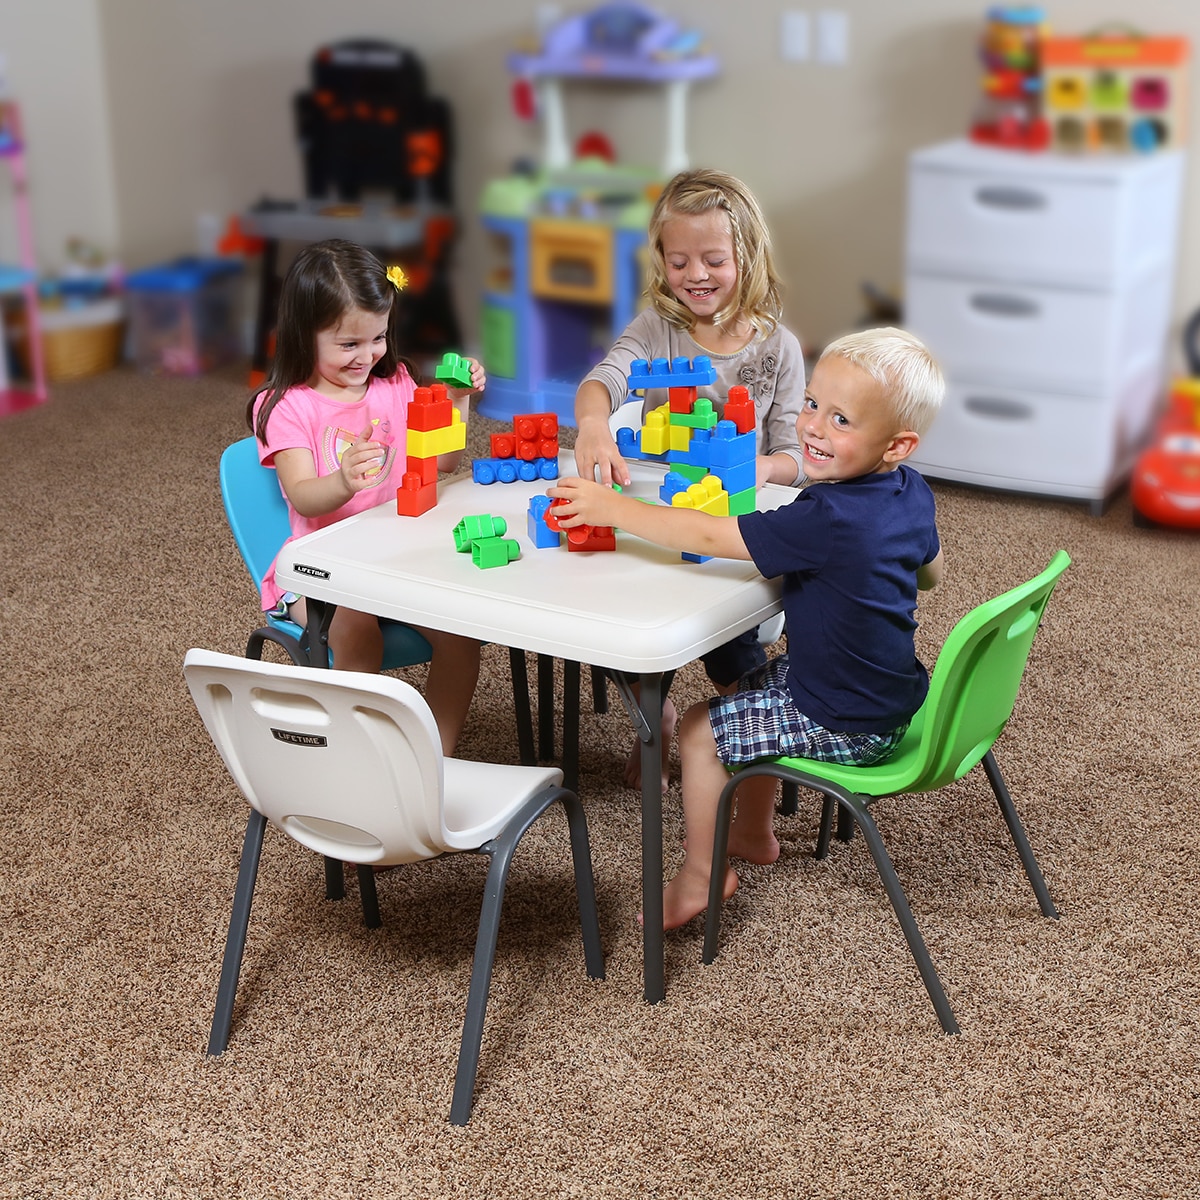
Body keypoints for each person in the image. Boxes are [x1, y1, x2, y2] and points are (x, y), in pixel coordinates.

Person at [550, 326, 946, 929]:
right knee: (753, 686)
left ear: (897, 444)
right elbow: (930, 574)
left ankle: (702, 874)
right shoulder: (911, 491)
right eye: (812, 404)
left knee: (697, 730)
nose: (813, 426)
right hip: (885, 695)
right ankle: (755, 833)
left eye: (842, 420)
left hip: (844, 714)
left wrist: (614, 510)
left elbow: (713, 536)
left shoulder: (827, 515)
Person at [572, 167, 809, 789]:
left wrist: (759, 464)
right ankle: (657, 713)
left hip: (730, 526)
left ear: (747, 257)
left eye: (712, 259)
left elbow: (799, 456)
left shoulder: (777, 349)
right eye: (678, 261)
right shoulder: (659, 330)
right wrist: (594, 424)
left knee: (730, 650)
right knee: (613, 611)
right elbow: (606, 377)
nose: (695, 276)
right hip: (654, 516)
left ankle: (750, 753)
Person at [247, 238, 484, 755]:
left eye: (377, 337)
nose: (368, 355)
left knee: (463, 635)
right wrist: (343, 482)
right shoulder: (285, 406)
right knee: (358, 631)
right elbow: (305, 497)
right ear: (302, 335)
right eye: (348, 344)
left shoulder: (396, 381)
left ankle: (434, 762)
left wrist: (458, 403)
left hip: (396, 557)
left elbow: (444, 464)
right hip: (320, 571)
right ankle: (364, 760)